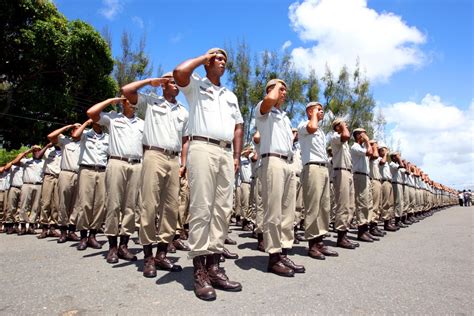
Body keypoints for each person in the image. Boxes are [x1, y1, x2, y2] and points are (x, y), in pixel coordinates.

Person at [174, 48, 243, 300]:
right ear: (207, 64)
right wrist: (204, 57)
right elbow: (179, 72)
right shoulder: (195, 86)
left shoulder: (231, 95)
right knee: (202, 208)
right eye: (217, 58)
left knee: (222, 209)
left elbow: (238, 127)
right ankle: (200, 271)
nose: (222, 61)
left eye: (225, 59)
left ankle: (215, 267)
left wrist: (236, 156)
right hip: (202, 146)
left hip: (225, 153)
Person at [121, 72, 189, 277]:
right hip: (153, 154)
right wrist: (150, 82)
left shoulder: (184, 111)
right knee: (148, 205)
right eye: (171, 81)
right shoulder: (151, 101)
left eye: (177, 82)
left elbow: (185, 139)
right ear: (163, 85)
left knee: (171, 207)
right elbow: (126, 91)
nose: (175, 84)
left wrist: (183, 163)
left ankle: (162, 253)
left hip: (173, 159)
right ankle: (148, 256)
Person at [255, 78, 304, 277]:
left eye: (285, 89)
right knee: (273, 212)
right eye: (281, 89)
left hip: (287, 162)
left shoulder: (284, 116)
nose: (284, 93)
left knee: (287, 212)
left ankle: (283, 252)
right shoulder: (263, 109)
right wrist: (275, 87)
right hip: (272, 160)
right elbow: (270, 99)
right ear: (271, 90)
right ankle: (273, 257)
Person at [87, 96, 144, 264]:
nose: (133, 103)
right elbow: (91, 113)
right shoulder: (112, 118)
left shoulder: (142, 123)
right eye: (129, 100)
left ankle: (123, 245)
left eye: (135, 101)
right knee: (113, 204)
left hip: (136, 165)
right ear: (123, 102)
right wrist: (112, 99)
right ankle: (112, 246)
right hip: (116, 162)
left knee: (130, 206)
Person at [298, 101, 338, 260]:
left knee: (324, 207)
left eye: (322, 110)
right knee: (313, 206)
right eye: (318, 110)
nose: (322, 112)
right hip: (312, 168)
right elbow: (311, 127)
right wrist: (313, 115)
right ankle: (312, 244)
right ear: (309, 112)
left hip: (323, 168)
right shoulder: (303, 126)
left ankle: (320, 241)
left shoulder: (320, 131)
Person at [71, 118, 109, 251]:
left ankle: (93, 235)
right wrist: (86, 123)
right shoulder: (85, 134)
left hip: (103, 171)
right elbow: (75, 135)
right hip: (87, 170)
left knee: (100, 204)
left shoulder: (108, 138)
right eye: (97, 119)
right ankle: (83, 236)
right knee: (85, 204)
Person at [330, 118, 358, 249]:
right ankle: (341, 237)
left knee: (350, 205)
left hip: (348, 172)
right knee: (343, 205)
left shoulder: (344, 143)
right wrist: (341, 126)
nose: (346, 125)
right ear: (337, 127)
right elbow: (346, 135)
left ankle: (344, 234)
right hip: (340, 172)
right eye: (343, 124)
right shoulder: (336, 136)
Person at [351, 128, 377, 242]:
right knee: (362, 203)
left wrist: (367, 143)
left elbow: (374, 155)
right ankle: (361, 231)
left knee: (367, 203)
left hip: (365, 176)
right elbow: (370, 152)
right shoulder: (355, 147)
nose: (366, 136)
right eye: (363, 134)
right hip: (359, 175)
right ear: (358, 136)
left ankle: (365, 229)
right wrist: (367, 141)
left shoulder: (362, 147)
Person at [37, 143, 62, 239]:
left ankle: (52, 227)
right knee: (45, 202)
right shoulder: (48, 150)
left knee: (56, 204)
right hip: (48, 176)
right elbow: (38, 156)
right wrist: (47, 146)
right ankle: (44, 228)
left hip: (59, 177)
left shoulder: (65, 149)